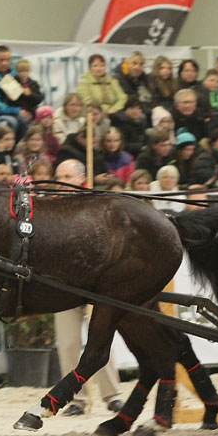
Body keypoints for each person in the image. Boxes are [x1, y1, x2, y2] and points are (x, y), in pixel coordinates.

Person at [52, 158, 124, 416]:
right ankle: (75, 399)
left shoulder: (96, 206)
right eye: (59, 176)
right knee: (68, 343)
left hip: (95, 285)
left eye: (68, 177)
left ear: (81, 179)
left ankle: (112, 395)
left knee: (101, 341)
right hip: (62, 286)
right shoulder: (50, 208)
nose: (61, 182)